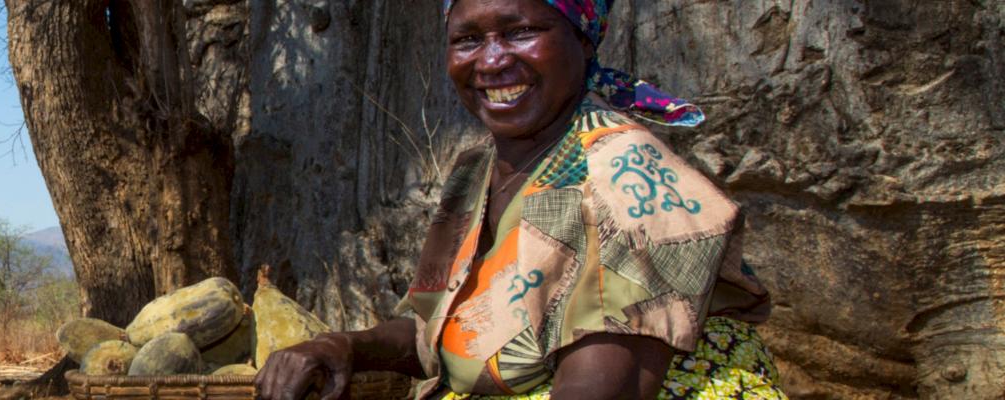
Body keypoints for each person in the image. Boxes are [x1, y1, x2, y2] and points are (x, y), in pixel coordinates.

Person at [254, 1, 783, 399]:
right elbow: (442, 331)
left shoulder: (624, 179)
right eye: (467, 39)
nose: (490, 61)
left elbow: (603, 388)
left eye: (522, 32)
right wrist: (339, 346)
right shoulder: (479, 170)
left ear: (584, 41)